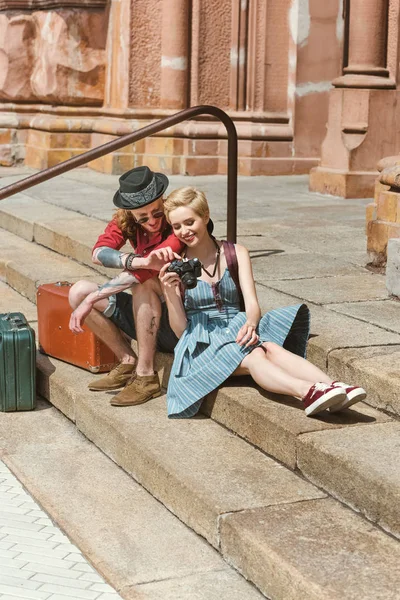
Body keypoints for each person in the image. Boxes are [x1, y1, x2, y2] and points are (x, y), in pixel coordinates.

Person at [159, 187, 367, 418]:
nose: (184, 231)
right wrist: (169, 292)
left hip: (236, 329)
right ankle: (308, 392)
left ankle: (334, 387)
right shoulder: (175, 268)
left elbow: (252, 303)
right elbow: (180, 331)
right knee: (256, 356)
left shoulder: (235, 253)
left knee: (271, 347)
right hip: (201, 345)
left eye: (189, 222)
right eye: (177, 226)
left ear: (205, 216)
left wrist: (250, 322)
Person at [68, 166, 183, 407]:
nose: (151, 221)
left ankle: (146, 376)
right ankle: (128, 360)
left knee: (144, 283)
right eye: (143, 217)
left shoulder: (178, 220)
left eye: (156, 213)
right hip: (149, 317)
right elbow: (98, 253)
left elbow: (143, 274)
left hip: (180, 323)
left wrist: (92, 300)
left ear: (163, 201)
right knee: (78, 292)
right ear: (130, 214)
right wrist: (135, 260)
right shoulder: (125, 220)